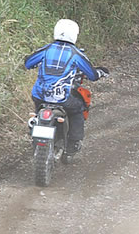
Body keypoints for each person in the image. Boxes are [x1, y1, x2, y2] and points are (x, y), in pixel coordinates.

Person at [24, 19, 108, 154]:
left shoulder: (46, 49)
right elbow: (92, 75)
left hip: (39, 95)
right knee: (78, 108)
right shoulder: (76, 54)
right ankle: (73, 143)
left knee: (39, 109)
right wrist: (101, 72)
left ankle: (35, 129)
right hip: (61, 97)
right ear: (75, 34)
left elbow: (28, 63)